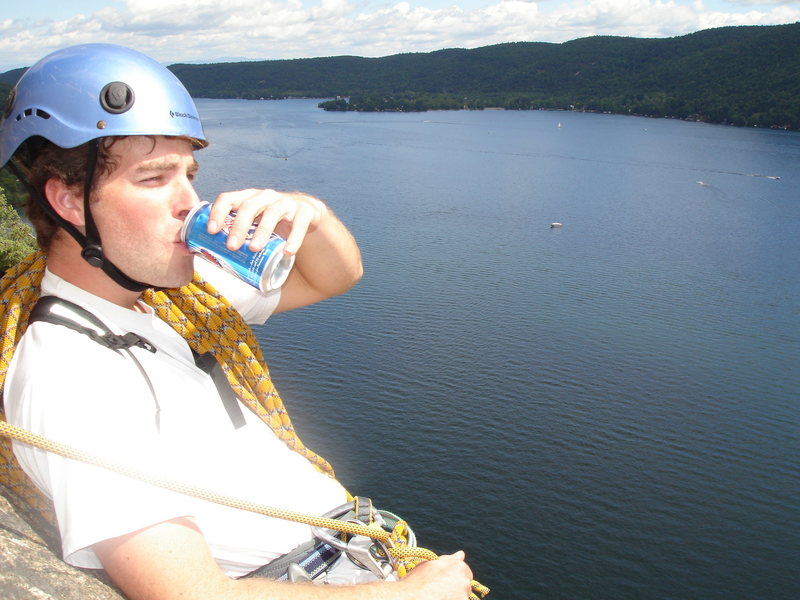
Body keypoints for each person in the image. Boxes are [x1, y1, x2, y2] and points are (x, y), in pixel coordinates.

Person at [0, 44, 475, 600]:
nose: (190, 201)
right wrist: (406, 595)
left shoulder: (172, 298)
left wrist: (309, 213)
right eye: (155, 179)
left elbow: (336, 276)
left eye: (189, 175)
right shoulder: (70, 376)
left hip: (346, 557)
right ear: (69, 202)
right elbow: (187, 593)